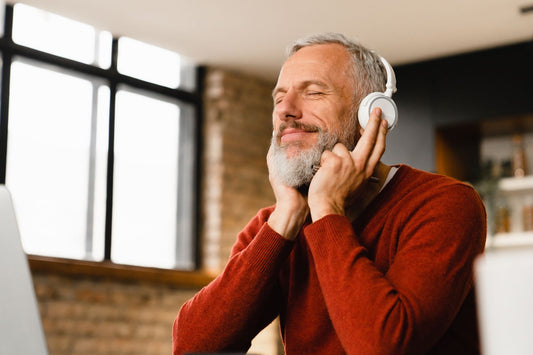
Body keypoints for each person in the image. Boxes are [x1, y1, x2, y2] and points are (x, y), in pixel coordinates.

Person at [172, 33, 486, 355]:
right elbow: (192, 346)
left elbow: (383, 347)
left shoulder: (444, 204)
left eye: (313, 92)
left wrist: (327, 209)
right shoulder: (279, 222)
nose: (286, 111)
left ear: (371, 114)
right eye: (279, 99)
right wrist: (287, 217)